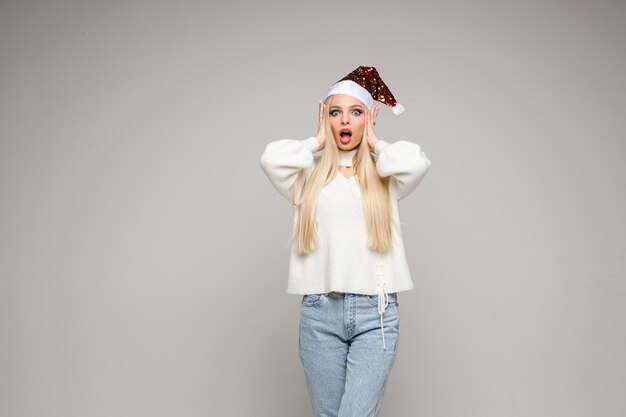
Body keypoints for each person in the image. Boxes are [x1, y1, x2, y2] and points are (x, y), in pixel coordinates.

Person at [259, 66, 431, 417]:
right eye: (335, 113)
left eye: (356, 112)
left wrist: (375, 142)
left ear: (369, 117)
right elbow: (270, 159)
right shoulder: (307, 175)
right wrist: (317, 141)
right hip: (320, 315)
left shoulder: (385, 175)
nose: (344, 121)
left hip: (375, 315)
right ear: (326, 118)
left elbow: (417, 163)